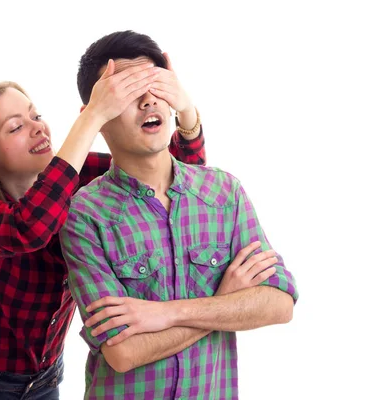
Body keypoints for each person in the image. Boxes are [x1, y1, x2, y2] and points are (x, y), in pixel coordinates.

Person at [0, 57, 208, 399]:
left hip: (44, 379)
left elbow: (169, 175)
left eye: (35, 116)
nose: (38, 127)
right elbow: (29, 227)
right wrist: (93, 116)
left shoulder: (77, 179)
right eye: (16, 127)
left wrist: (184, 109)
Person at [59, 30, 299, 400]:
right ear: (97, 115)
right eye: (127, 91)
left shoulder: (223, 193)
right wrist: (224, 304)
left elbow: (279, 303)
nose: (148, 100)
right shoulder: (84, 214)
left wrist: (166, 314)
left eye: (155, 84)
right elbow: (122, 353)